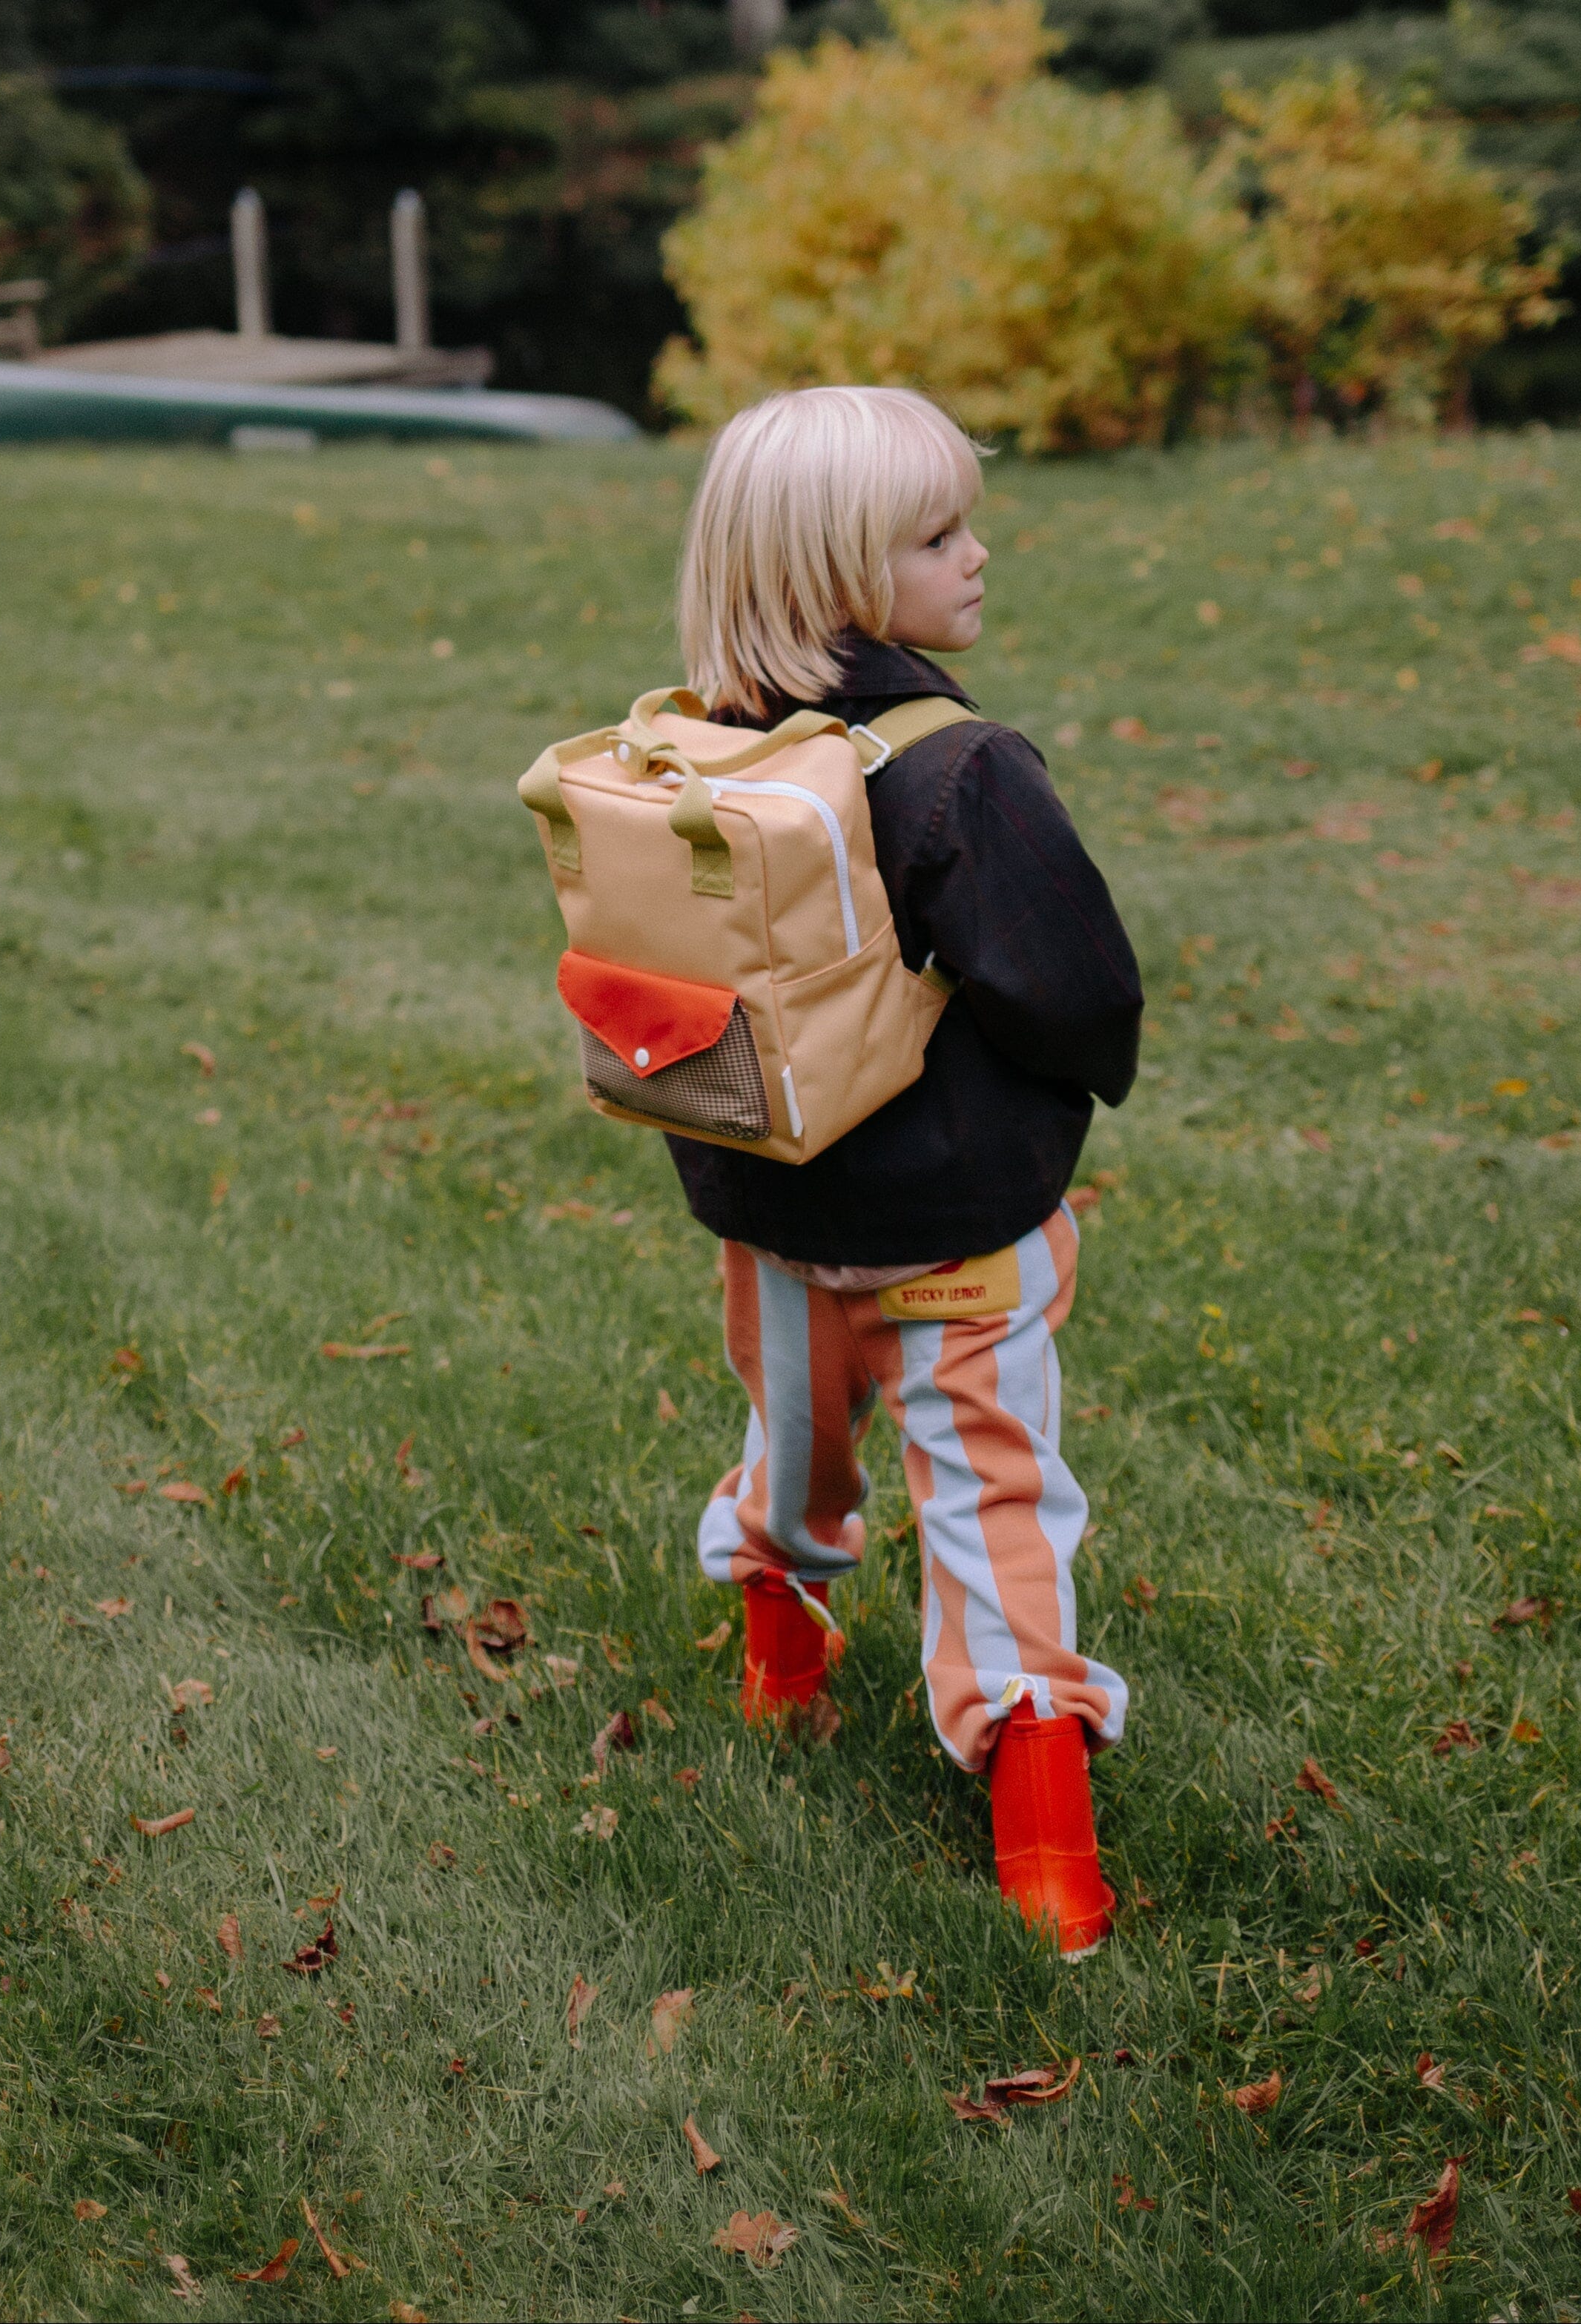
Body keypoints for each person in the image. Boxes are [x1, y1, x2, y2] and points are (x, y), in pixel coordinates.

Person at [670, 386, 1144, 1956]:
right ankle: (1042, 1832)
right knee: (992, 1488)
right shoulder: (958, 767)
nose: (976, 554)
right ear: (835, 572)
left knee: (798, 1437)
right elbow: (1072, 983)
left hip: (773, 1205)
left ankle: (780, 1665)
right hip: (960, 1223)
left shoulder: (693, 746)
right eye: (937, 536)